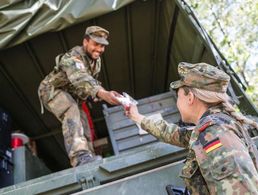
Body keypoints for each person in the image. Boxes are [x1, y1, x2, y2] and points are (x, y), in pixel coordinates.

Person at [125, 62, 258, 194]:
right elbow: (172, 133)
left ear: (190, 97)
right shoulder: (210, 129)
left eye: (179, 96)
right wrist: (136, 116)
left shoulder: (216, 133)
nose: (177, 102)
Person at [38, 26, 121, 167]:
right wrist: (103, 93)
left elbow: (89, 84)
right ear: (85, 42)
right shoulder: (73, 57)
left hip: (72, 95)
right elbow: (81, 78)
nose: (99, 49)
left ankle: (89, 159)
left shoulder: (96, 62)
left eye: (102, 46)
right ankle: (79, 157)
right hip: (51, 90)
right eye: (96, 44)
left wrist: (98, 95)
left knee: (83, 122)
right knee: (71, 109)